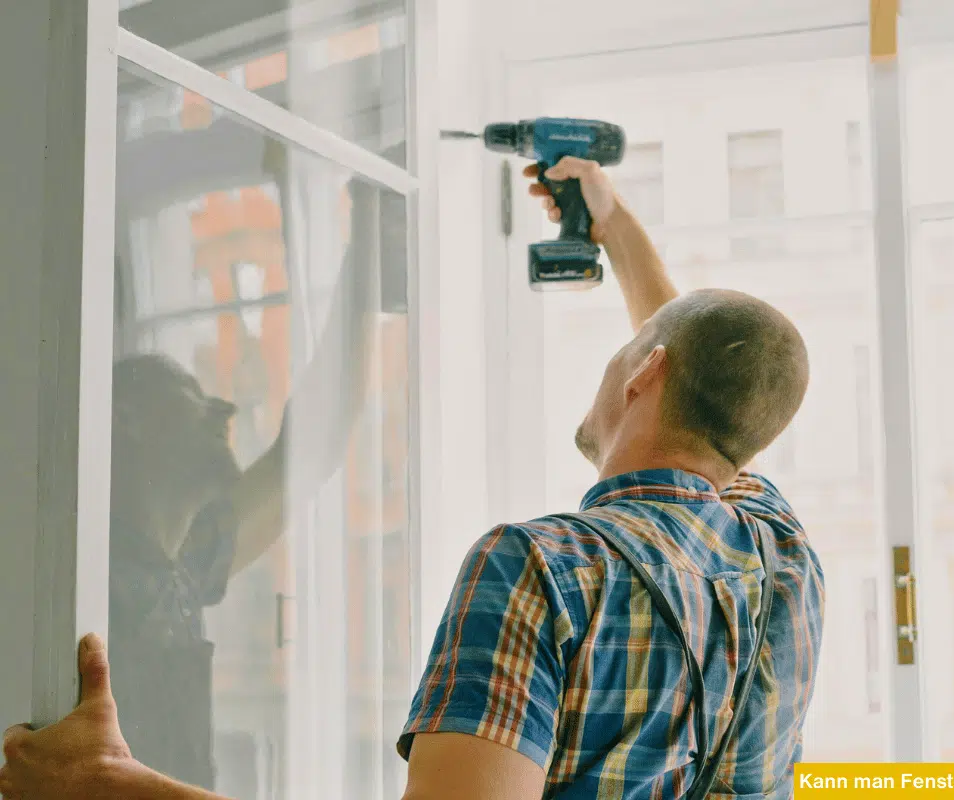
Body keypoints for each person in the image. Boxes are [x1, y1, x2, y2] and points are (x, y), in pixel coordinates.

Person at [1, 156, 824, 800]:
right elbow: (715, 396)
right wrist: (610, 228)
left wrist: (111, 789)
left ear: (643, 374)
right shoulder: (780, 556)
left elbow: (697, 376)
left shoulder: (543, 569)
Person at [103, 140, 381, 789]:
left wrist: (367, 237)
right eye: (190, 392)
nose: (223, 406)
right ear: (128, 418)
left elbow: (309, 447)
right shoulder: (94, 580)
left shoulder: (181, 563)